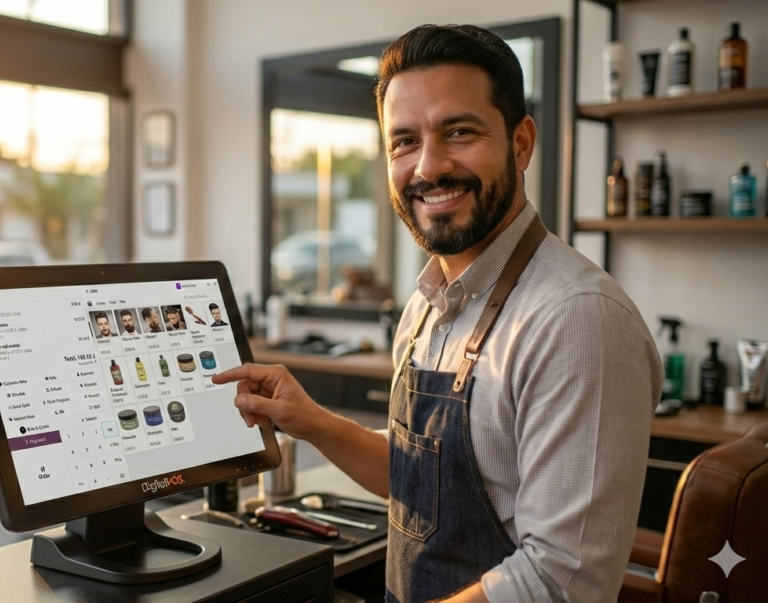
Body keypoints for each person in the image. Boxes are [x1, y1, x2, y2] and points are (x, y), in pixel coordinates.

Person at [214, 24, 661, 603]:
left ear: (521, 143)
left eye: (459, 131)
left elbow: (560, 582)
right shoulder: (430, 303)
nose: (429, 167)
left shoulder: (575, 318)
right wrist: (312, 422)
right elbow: (420, 484)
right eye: (404, 141)